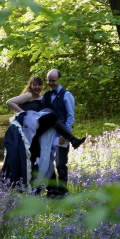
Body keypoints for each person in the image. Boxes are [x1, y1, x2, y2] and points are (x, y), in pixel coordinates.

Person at [0, 74, 85, 191]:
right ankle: (73, 140)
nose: (37, 87)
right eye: (35, 85)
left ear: (43, 86)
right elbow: (10, 102)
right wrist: (23, 113)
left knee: (45, 159)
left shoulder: (42, 97)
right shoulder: (29, 95)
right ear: (31, 85)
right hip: (27, 129)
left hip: (36, 130)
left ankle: (51, 190)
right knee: (51, 116)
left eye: (39, 85)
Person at [40, 68, 83, 196]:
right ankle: (52, 190)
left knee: (60, 163)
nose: (50, 83)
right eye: (49, 80)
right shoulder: (46, 95)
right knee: (47, 163)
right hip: (48, 134)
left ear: (60, 79)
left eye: (53, 80)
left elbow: (70, 116)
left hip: (62, 134)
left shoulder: (67, 95)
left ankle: (63, 191)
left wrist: (65, 134)